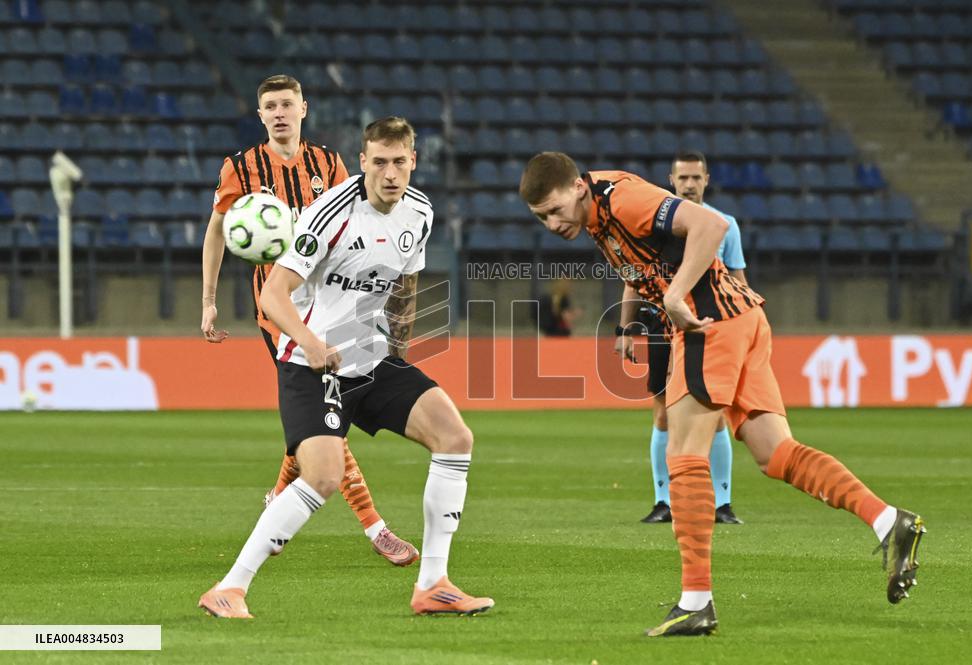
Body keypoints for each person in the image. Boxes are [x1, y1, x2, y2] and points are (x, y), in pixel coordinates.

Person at [519, 152, 924, 637]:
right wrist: (628, 322)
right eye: (541, 217)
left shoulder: (622, 197)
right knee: (777, 455)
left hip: (706, 322)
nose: (551, 223)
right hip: (741, 318)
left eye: (554, 210)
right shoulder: (597, 216)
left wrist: (674, 296)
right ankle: (887, 521)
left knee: (684, 454)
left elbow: (710, 225)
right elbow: (638, 266)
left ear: (578, 188)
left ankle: (696, 602)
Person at [199, 116, 493, 619]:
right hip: (310, 364)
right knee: (322, 477)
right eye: (379, 162)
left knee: (455, 437)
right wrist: (310, 342)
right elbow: (273, 295)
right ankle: (229, 587)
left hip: (370, 358)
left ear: (413, 162)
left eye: (399, 162)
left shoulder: (420, 212)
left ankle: (434, 585)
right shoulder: (328, 212)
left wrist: (398, 340)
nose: (390, 173)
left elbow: (406, 283)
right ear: (362, 162)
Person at [200, 74, 417, 567]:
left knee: (317, 419)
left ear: (304, 109)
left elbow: (356, 227)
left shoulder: (327, 163)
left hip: (334, 307)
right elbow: (217, 230)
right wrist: (209, 299)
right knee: (329, 414)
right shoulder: (240, 167)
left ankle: (278, 500)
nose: (279, 112)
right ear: (260, 115)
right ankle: (376, 527)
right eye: (270, 106)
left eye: (287, 104)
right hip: (279, 310)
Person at [615, 152, 745, 525]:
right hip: (659, 323)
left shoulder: (725, 226)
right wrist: (625, 329)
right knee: (662, 413)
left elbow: (739, 282)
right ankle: (664, 502)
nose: (689, 184)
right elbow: (633, 281)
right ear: (671, 180)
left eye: (696, 178)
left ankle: (722, 504)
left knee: (715, 413)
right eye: (683, 178)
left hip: (709, 326)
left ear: (707, 180)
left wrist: (744, 326)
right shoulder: (653, 226)